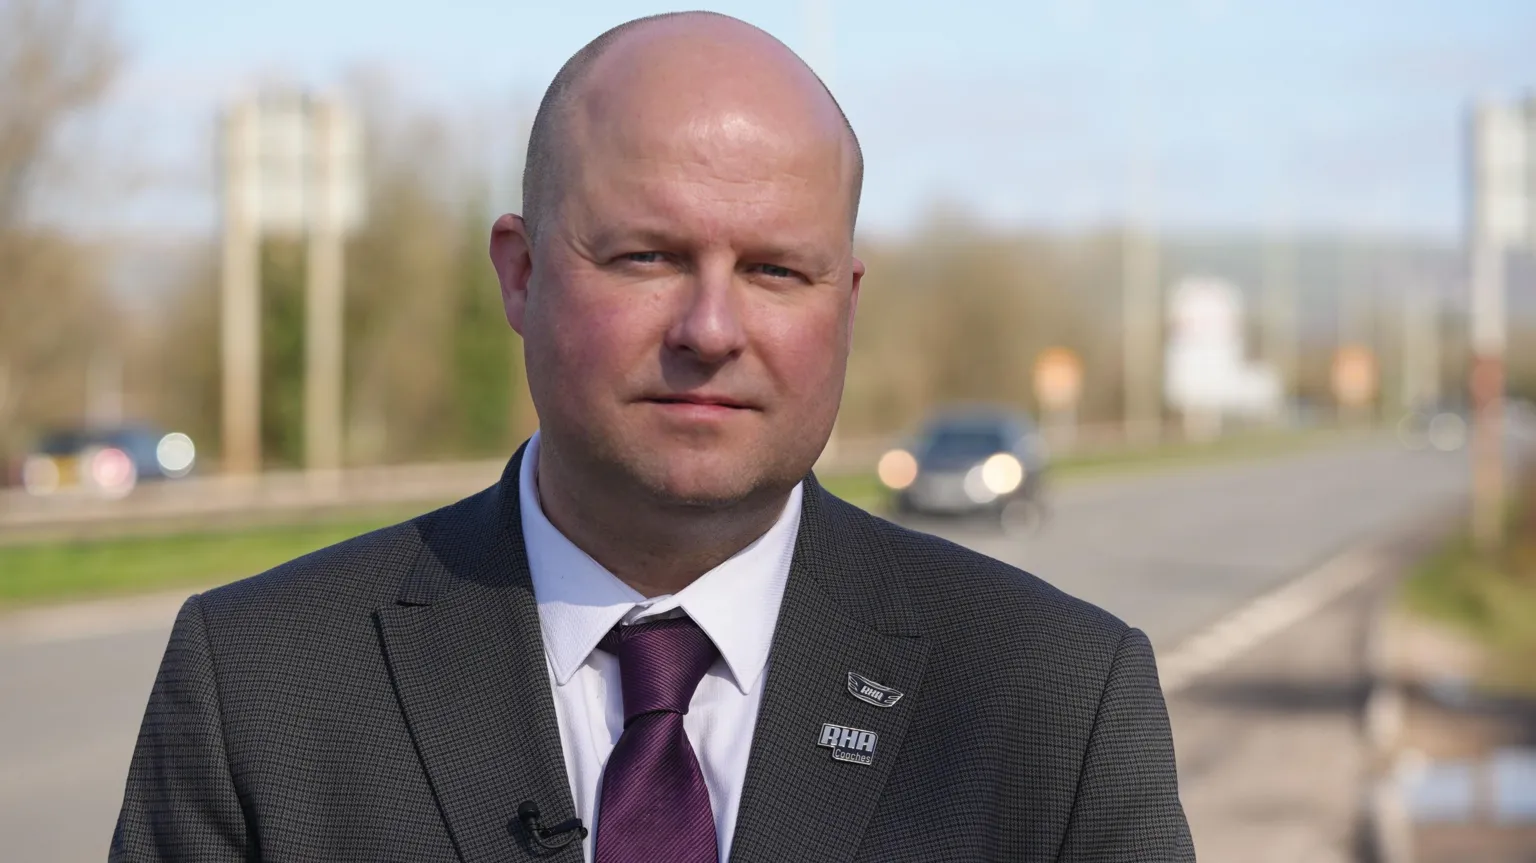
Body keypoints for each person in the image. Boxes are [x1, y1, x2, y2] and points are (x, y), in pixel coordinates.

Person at [112, 12, 1194, 863]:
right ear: (522, 275)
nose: (712, 330)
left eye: (776, 270)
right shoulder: (261, 684)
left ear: (846, 305)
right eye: (645, 257)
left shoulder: (1052, 701)